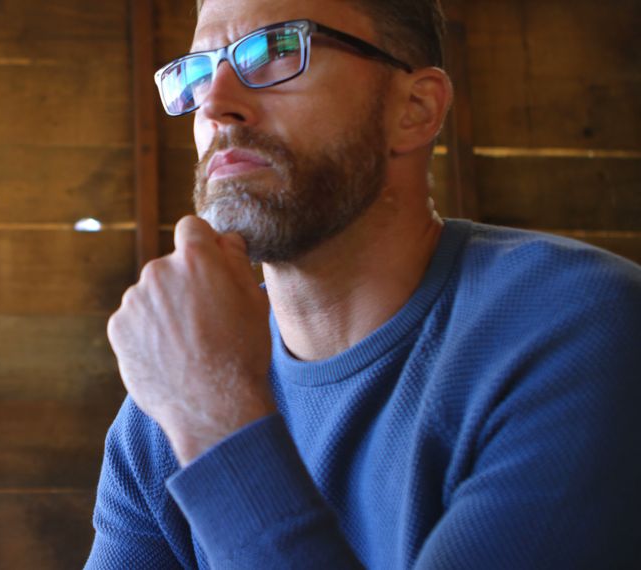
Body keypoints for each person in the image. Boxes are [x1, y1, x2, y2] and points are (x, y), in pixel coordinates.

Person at [86, 0, 641, 567]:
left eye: (277, 51)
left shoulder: (580, 329)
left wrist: (214, 417)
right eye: (199, 72)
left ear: (415, 108)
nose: (215, 106)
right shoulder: (167, 406)